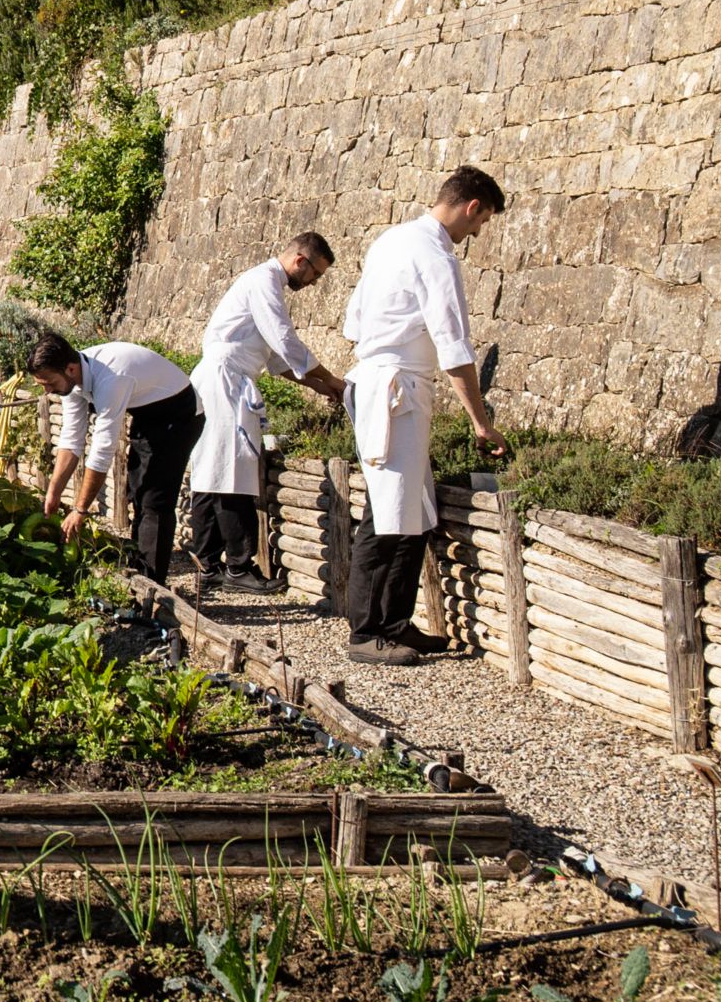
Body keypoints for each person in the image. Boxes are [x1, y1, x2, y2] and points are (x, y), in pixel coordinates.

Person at [340, 169, 509, 666]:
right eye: (480, 223)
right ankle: (366, 633)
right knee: (388, 514)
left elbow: (354, 322)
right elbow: (454, 347)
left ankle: (394, 623)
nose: (474, 235)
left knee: (410, 513)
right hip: (398, 389)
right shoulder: (435, 256)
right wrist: (480, 421)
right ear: (472, 207)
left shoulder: (390, 242)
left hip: (384, 380)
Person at [187, 234, 346, 594]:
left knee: (212, 469)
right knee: (231, 470)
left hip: (223, 379)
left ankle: (207, 563)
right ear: (300, 261)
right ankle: (237, 567)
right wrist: (330, 376)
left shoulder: (261, 284)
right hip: (225, 380)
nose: (314, 283)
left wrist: (318, 386)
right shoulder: (263, 281)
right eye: (316, 274)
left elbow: (275, 358)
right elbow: (284, 341)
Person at [30, 333, 202, 584]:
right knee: (137, 492)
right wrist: (53, 493)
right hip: (148, 415)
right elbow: (71, 440)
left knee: (155, 499)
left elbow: (102, 450)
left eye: (49, 383)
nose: (47, 391)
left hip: (179, 415)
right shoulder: (72, 379)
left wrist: (80, 510)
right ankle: (140, 572)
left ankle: (152, 586)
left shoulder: (112, 378)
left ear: (70, 368)